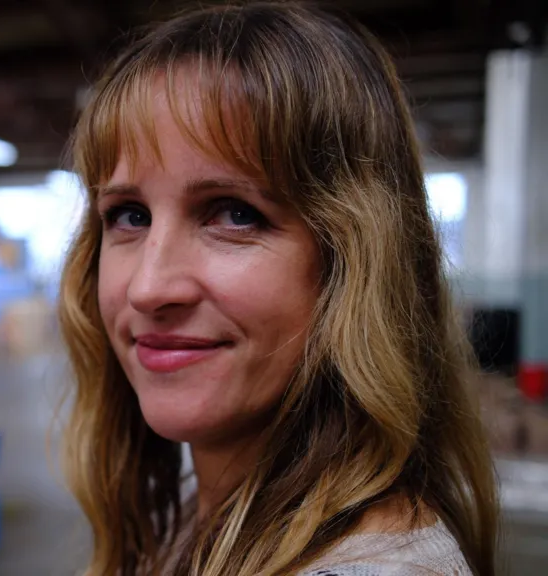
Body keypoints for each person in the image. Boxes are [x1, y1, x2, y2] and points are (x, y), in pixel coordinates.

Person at [56, 3, 499, 575]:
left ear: (355, 260)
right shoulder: (210, 516)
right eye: (129, 216)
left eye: (235, 214)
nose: (148, 287)